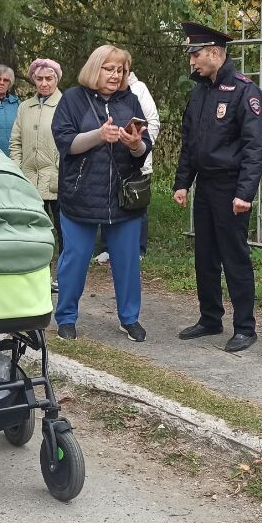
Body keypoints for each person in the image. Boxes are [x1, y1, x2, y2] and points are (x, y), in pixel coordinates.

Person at [172, 22, 262, 353]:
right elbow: (190, 143)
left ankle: (245, 327)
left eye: (195, 55)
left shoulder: (244, 90)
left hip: (230, 188)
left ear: (214, 53)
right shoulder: (200, 91)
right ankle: (210, 318)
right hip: (205, 186)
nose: (192, 62)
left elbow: (255, 148)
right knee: (205, 256)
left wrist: (245, 193)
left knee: (234, 257)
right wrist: (183, 182)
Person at [51, 45, 152, 342]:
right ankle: (66, 317)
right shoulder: (72, 99)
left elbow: (143, 149)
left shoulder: (130, 100)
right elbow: (66, 143)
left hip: (123, 198)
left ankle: (129, 318)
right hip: (81, 195)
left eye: (120, 70)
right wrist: (99, 136)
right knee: (76, 259)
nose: (115, 75)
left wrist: (134, 145)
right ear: (95, 68)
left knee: (127, 261)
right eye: (109, 68)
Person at [10, 58, 64, 291]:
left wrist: (63, 169)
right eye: (39, 79)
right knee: (35, 233)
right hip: (30, 182)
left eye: (49, 79)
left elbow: (70, 141)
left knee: (64, 233)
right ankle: (38, 274)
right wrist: (17, 170)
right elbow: (15, 142)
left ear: (56, 80)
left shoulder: (66, 104)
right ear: (33, 80)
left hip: (59, 181)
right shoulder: (25, 107)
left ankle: (62, 277)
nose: (44, 83)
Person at [125, 68, 161, 256]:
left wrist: (143, 145)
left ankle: (139, 248)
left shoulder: (138, 89)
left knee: (138, 200)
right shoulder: (101, 90)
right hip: (112, 161)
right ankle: (107, 247)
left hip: (138, 157)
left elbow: (153, 121)